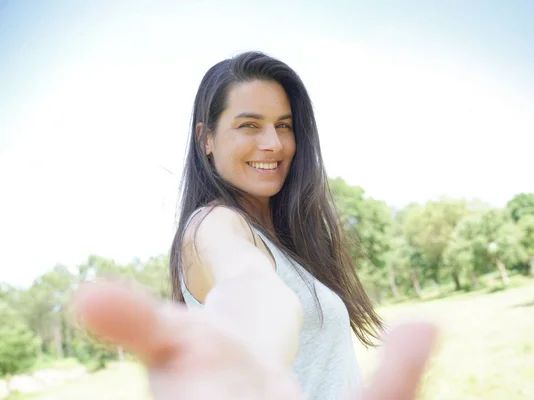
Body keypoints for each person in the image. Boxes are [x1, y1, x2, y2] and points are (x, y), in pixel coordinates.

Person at [72, 51, 438, 399]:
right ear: (206, 139)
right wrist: (257, 348)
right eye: (249, 125)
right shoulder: (213, 224)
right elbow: (249, 283)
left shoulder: (286, 236)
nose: (273, 143)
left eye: (284, 125)